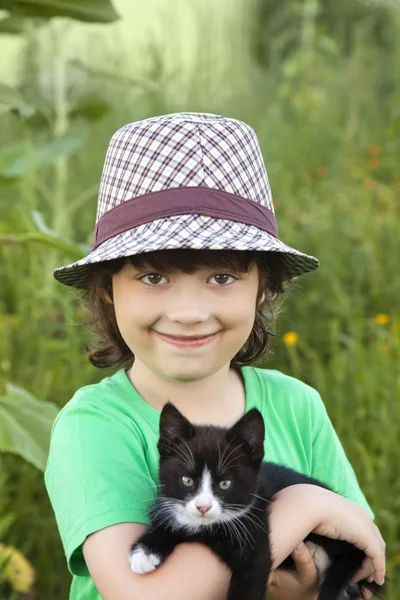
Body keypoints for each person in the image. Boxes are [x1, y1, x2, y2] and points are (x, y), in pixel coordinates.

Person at [44, 112, 385, 600]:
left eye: (222, 277)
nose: (188, 312)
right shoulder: (94, 426)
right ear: (108, 291)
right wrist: (299, 507)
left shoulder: (298, 407)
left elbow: (360, 564)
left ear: (262, 288)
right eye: (153, 277)